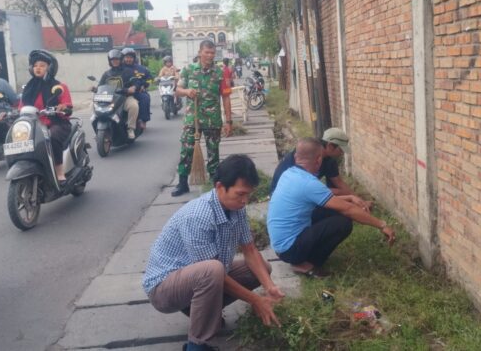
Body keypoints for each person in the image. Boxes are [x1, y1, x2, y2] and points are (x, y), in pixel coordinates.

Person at [144, 154, 284, 351]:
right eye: (240, 194)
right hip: (163, 288)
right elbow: (214, 273)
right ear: (219, 187)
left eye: (248, 195)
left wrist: (269, 287)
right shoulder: (199, 216)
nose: (245, 200)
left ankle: (200, 311)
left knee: (262, 268)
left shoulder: (237, 209)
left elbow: (250, 250)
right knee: (213, 270)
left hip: (196, 277)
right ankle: (196, 345)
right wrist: (255, 300)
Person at [267, 138, 395, 277]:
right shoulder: (308, 183)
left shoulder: (289, 173)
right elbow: (348, 209)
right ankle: (306, 263)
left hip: (280, 245)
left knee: (332, 210)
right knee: (343, 223)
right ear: (319, 160)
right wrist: (381, 225)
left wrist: (350, 197)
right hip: (289, 250)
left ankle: (302, 256)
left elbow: (328, 201)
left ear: (296, 157)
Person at [171, 39, 234, 197]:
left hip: (212, 120)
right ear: (200, 52)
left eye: (212, 53)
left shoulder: (220, 72)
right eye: (207, 52)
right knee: (186, 151)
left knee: (213, 153)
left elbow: (226, 97)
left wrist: (228, 121)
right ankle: (183, 183)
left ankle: (214, 184)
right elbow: (177, 90)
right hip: (192, 119)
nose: (210, 56)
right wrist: (187, 92)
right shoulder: (189, 70)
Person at [270, 127, 372, 213]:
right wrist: (338, 193)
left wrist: (360, 201)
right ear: (330, 146)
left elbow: (339, 183)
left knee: (337, 197)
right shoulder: (303, 155)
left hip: (305, 192)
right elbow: (301, 189)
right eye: (341, 150)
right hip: (285, 198)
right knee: (338, 210)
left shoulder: (329, 161)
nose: (342, 153)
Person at [20, 50, 73, 183]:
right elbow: (21, 106)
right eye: (35, 65)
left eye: (42, 65)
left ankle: (59, 171)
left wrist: (63, 107)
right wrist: (9, 112)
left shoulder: (60, 86)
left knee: (52, 136)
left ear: (50, 68)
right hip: (34, 125)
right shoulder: (28, 88)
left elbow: (67, 105)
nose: (38, 68)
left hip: (56, 123)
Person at [96, 49, 140, 139]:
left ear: (120, 60)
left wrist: (134, 87)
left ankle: (131, 128)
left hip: (124, 97)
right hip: (109, 99)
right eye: (112, 60)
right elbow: (100, 85)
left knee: (134, 106)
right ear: (110, 61)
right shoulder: (106, 74)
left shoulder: (127, 71)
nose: (115, 61)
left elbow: (136, 82)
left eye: (117, 59)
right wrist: (95, 89)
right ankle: (98, 129)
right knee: (93, 106)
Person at [121, 48, 152, 130]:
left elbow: (150, 79)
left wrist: (144, 85)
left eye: (130, 57)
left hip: (138, 91)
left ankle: (142, 120)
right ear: (123, 58)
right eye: (127, 57)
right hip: (121, 92)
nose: (128, 59)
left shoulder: (142, 69)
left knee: (145, 98)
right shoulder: (118, 68)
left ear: (134, 58)